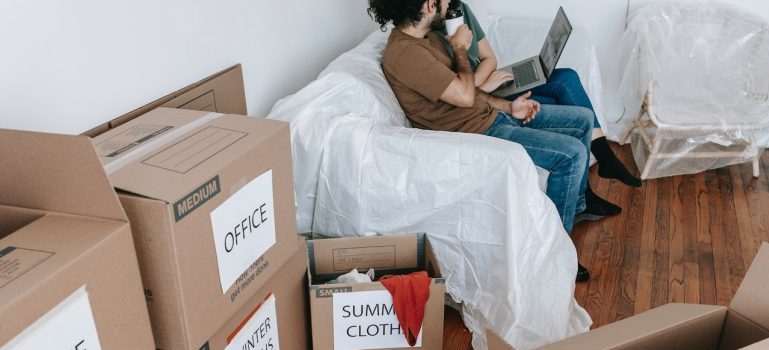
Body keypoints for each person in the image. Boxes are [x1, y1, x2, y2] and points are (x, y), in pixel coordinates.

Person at [368, 0, 617, 281]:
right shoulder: (405, 54)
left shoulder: (425, 40)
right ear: (428, 5)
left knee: (582, 118)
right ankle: (552, 257)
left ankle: (577, 206)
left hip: (489, 116)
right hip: (475, 132)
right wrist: (460, 47)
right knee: (570, 154)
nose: (450, 3)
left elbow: (469, 92)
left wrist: (508, 106)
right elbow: (463, 94)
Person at [433, 1, 642, 192]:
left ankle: (603, 161)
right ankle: (591, 185)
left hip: (487, 83)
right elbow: (458, 93)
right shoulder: (430, 35)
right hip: (478, 96)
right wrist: (483, 87)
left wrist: (482, 82)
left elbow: (489, 58)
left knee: (567, 76)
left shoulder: (461, 9)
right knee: (556, 103)